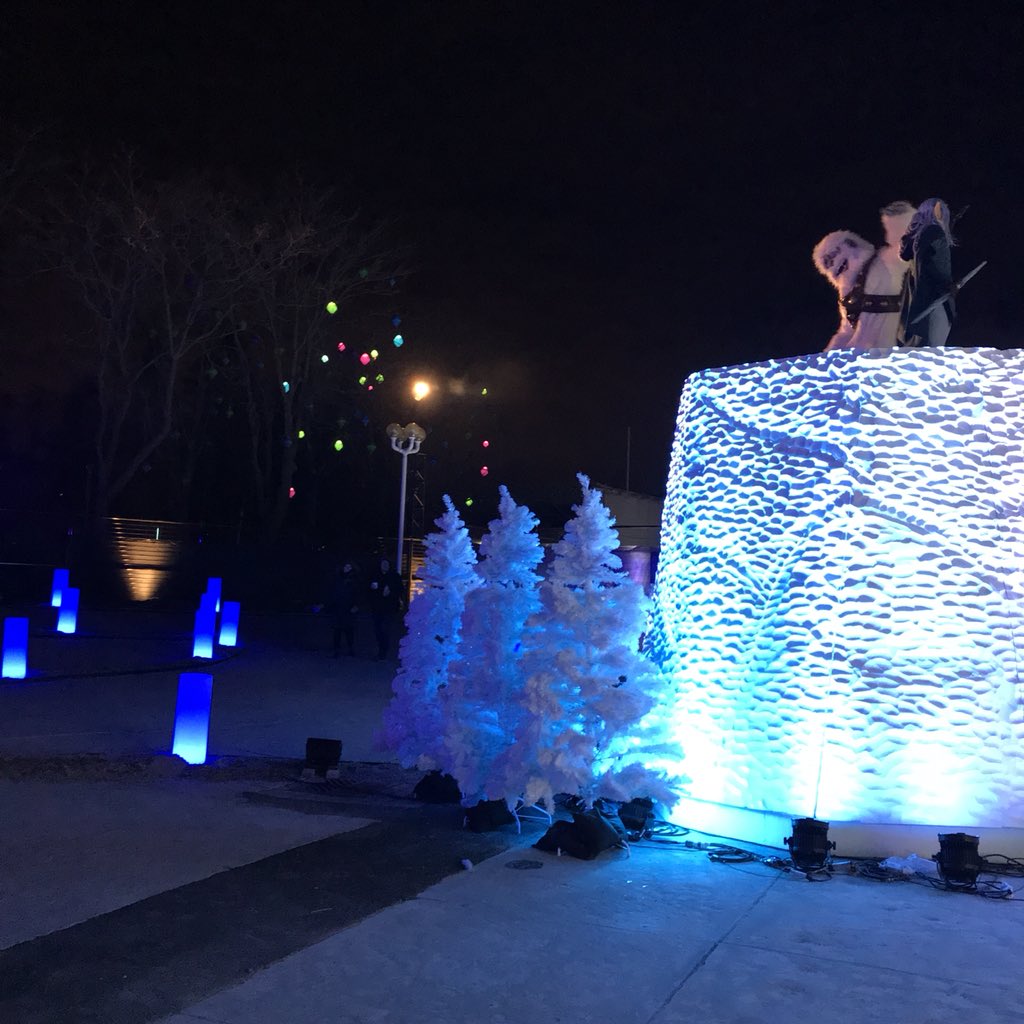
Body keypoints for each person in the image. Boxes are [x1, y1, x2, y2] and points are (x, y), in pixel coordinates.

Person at [813, 200, 916, 351]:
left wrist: (907, 221)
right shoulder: (847, 294)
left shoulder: (881, 264)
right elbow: (846, 331)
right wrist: (827, 359)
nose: (834, 260)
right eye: (829, 260)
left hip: (893, 351)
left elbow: (903, 248)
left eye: (835, 255)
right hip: (868, 358)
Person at [899, 198, 956, 348]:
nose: (943, 216)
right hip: (935, 296)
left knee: (923, 345)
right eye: (940, 211)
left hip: (920, 299)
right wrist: (946, 284)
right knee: (934, 347)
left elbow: (924, 262)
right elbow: (929, 264)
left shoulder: (918, 237)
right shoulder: (933, 231)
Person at [367, 557, 404, 660]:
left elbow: (400, 590)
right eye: (383, 564)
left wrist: (390, 591)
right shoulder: (375, 575)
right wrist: (372, 589)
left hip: (389, 608)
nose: (385, 566)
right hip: (377, 607)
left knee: (385, 629)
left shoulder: (394, 576)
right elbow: (368, 591)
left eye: (386, 564)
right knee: (378, 629)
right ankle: (380, 648)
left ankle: (383, 651)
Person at [327, 561, 361, 657]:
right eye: (346, 566)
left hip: (349, 608)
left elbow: (358, 594)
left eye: (349, 566)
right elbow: (332, 591)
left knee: (349, 630)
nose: (347, 568)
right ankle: (336, 650)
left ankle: (351, 648)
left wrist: (356, 605)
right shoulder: (337, 578)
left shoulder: (355, 579)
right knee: (337, 630)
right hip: (338, 607)